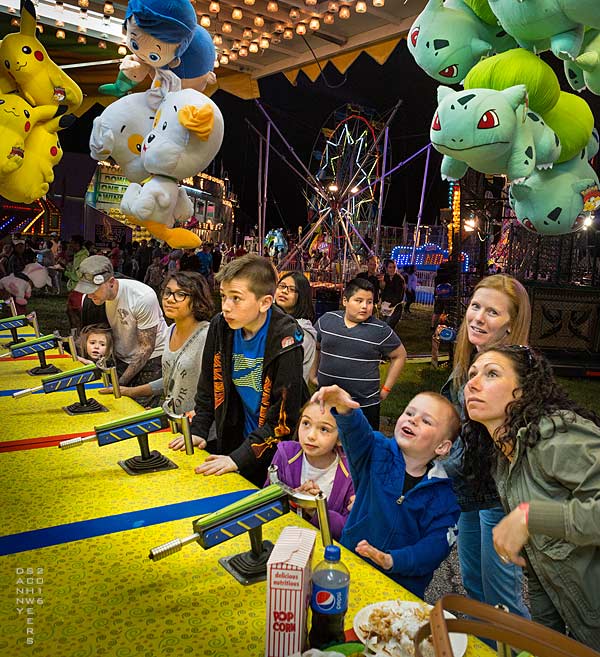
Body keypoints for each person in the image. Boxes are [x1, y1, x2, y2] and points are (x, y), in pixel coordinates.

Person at [463, 345, 600, 648]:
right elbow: (537, 570)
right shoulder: (504, 462)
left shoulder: (556, 435)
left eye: (491, 374)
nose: (472, 383)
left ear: (523, 391)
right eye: (472, 374)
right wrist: (545, 642)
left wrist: (531, 516)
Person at [312, 384, 461, 598]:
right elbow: (357, 434)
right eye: (409, 412)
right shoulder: (376, 452)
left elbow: (435, 547)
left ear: (442, 447)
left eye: (426, 421)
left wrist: (392, 560)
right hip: (352, 569)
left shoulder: (443, 497)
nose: (413, 420)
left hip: (400, 591)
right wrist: (344, 408)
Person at [442, 274, 531, 618]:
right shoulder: (470, 363)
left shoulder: (516, 373)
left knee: (501, 600)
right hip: (470, 492)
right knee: (475, 585)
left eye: (492, 312)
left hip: (498, 498)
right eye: (475, 306)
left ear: (512, 325)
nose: (478, 317)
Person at [189, 254, 307, 486]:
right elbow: (208, 386)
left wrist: (238, 459)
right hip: (235, 436)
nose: (226, 307)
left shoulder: (286, 339)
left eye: (236, 298)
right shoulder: (221, 326)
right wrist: (199, 430)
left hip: (276, 452)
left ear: (264, 302)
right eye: (223, 296)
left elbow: (283, 420)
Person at [110, 271, 214, 416]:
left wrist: (199, 417)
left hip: (198, 431)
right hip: (174, 422)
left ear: (198, 300)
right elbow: (171, 379)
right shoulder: (170, 331)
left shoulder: (207, 336)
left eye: (181, 294)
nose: (170, 299)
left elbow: (219, 388)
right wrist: (130, 392)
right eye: (168, 292)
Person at [310, 277, 407, 431]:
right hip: (327, 400)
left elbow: (400, 355)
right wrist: (312, 374)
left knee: (363, 449)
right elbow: (315, 346)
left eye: (369, 302)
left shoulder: (380, 330)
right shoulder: (327, 321)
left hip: (364, 405)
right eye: (359, 300)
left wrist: (386, 389)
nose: (365, 306)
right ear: (345, 301)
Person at [76, 255, 168, 397]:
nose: (89, 295)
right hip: (122, 354)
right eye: (86, 290)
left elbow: (146, 348)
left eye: (94, 289)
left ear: (111, 282)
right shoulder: (90, 299)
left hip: (152, 356)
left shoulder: (142, 297)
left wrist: (120, 383)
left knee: (139, 409)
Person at [266, 399, 355, 541]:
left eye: (324, 429)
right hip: (281, 540)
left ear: (340, 438)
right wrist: (295, 500)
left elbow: (349, 529)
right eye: (306, 423)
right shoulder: (285, 454)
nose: (311, 435)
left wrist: (315, 511)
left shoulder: (351, 474)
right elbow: (267, 502)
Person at [274, 271, 317, 383]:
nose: (284, 291)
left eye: (292, 289)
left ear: (301, 296)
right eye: (282, 286)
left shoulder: (302, 332)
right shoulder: (269, 320)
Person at [65, 235, 90, 330]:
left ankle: (78, 335)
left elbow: (78, 276)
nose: (70, 245)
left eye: (71, 243)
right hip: (76, 288)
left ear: (77, 244)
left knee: (75, 313)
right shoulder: (78, 255)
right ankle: (76, 334)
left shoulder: (82, 257)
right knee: (71, 312)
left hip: (79, 289)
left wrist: (65, 272)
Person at [379, 259, 406, 329]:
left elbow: (399, 296)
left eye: (394, 267)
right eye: (390, 267)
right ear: (386, 268)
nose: (392, 269)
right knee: (383, 326)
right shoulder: (386, 277)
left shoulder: (399, 279)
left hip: (395, 307)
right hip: (385, 305)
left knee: (388, 326)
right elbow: (383, 290)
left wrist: (391, 304)